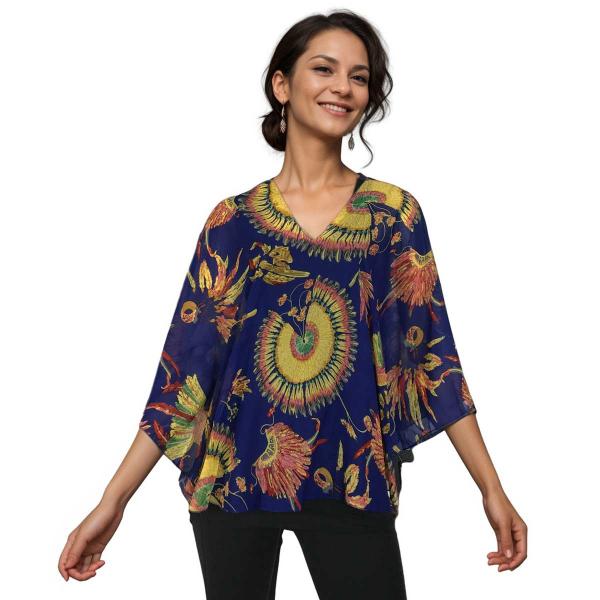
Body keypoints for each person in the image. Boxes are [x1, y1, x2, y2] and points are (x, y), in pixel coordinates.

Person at [58, 9, 528, 598]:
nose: (343, 87)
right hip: (231, 484)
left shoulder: (392, 216)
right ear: (282, 85)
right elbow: (184, 377)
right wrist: (113, 502)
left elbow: (433, 359)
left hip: (352, 477)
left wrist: (491, 488)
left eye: (359, 77)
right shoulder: (233, 222)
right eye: (324, 69)